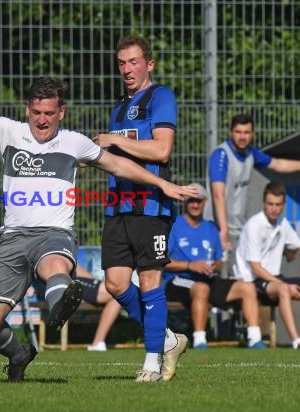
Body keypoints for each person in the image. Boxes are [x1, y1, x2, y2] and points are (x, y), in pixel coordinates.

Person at [0, 58, 198, 382]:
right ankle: (19, 354)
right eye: (36, 112)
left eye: (49, 113)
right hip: (13, 240)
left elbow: (118, 165)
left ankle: (60, 301)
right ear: (27, 108)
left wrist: (161, 183)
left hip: (54, 235)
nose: (41, 120)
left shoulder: (74, 143)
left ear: (61, 113)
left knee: (54, 266)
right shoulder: (8, 131)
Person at [94, 35, 187, 382]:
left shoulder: (160, 97)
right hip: (118, 206)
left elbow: (162, 150)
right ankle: (167, 338)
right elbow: (116, 159)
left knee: (149, 280)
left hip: (152, 206)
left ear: (149, 64)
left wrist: (115, 140)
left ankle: (151, 363)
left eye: (133, 62)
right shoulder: (118, 108)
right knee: (116, 284)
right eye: (121, 63)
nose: (127, 69)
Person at [162, 183, 265, 349]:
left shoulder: (211, 228)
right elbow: (162, 260)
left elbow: (218, 260)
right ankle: (200, 340)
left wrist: (213, 266)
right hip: (178, 279)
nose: (195, 205)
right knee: (201, 288)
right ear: (184, 202)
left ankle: (255, 338)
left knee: (247, 288)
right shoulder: (173, 225)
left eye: (199, 201)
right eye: (191, 201)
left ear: (205, 202)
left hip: (208, 278)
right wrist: (190, 265)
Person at [204, 113, 300, 277]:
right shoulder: (221, 155)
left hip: (238, 227)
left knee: (242, 278)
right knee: (223, 278)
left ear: (253, 133)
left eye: (247, 132)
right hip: (218, 228)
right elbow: (218, 195)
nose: (242, 137)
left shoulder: (251, 153)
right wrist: (223, 230)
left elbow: (278, 164)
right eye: (238, 132)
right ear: (231, 132)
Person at [233, 181, 300, 349]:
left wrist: (290, 253)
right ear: (264, 203)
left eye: (278, 205)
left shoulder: (282, 224)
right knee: (285, 289)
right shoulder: (254, 225)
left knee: (288, 288)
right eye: (270, 204)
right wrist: (283, 284)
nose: (274, 209)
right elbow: (255, 268)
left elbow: (296, 246)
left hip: (272, 278)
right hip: (252, 279)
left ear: (284, 205)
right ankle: (296, 342)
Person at [75, 265, 123, 351]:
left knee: (119, 295)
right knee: (118, 293)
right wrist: (94, 282)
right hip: (68, 282)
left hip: (63, 281)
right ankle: (98, 342)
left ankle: (98, 343)